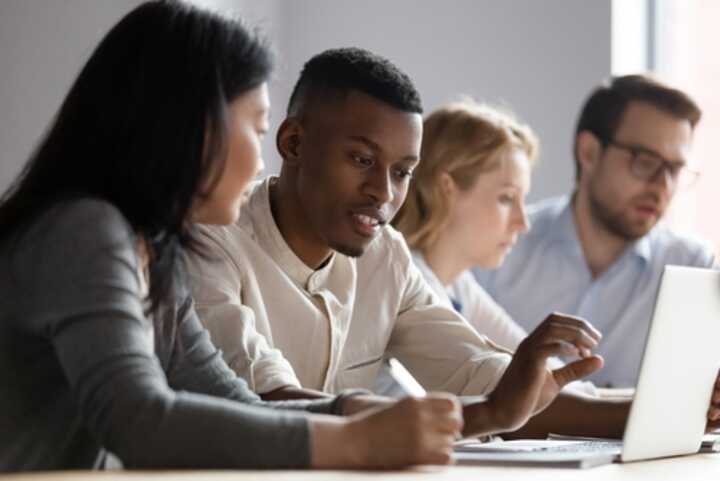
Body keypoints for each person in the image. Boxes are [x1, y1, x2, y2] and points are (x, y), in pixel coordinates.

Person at [0, 1, 466, 471]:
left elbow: (235, 401)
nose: (264, 162)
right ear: (193, 125)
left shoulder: (153, 250)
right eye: (259, 127)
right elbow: (138, 421)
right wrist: (356, 442)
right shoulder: (83, 231)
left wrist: (344, 412)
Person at [185, 47, 643, 440]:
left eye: (402, 172)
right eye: (362, 159)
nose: (384, 193)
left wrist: (678, 414)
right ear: (293, 142)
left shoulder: (387, 257)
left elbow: (481, 378)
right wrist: (490, 411)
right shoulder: (212, 239)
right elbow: (264, 401)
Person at [474, 74, 718, 388]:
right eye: (645, 162)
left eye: (674, 170)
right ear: (588, 152)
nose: (662, 187)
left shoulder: (692, 266)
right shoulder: (502, 243)